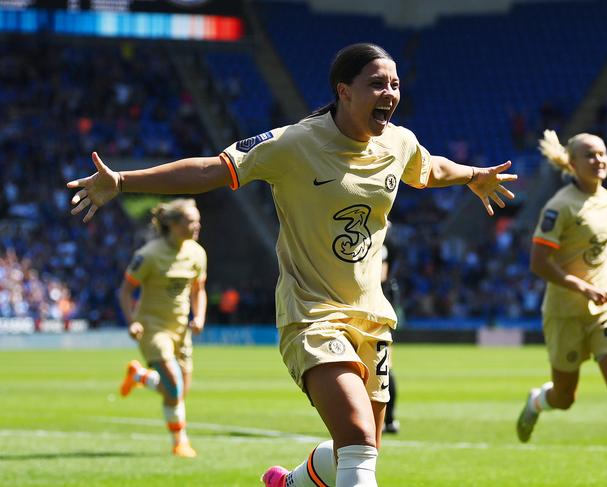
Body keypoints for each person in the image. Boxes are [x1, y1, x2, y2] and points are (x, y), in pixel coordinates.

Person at [68, 43, 516, 486]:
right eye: (377, 84)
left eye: (395, 85)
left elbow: (429, 169)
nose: (390, 94)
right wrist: (123, 180)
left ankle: (289, 484)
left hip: (373, 317)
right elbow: (210, 170)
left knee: (357, 450)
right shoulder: (293, 143)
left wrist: (474, 176)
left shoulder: (398, 142)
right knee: (359, 441)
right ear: (344, 91)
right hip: (312, 315)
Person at [516, 130, 607, 487]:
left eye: (603, 153)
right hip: (564, 314)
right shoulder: (559, 206)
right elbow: (539, 262)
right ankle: (536, 402)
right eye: (590, 155)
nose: (599, 160)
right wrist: (582, 287)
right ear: (572, 163)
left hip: (605, 306)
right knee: (564, 398)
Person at [118, 198, 207, 458]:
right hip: (152, 327)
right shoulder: (148, 255)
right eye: (192, 221)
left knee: (176, 390)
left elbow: (198, 290)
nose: (198, 225)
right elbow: (125, 292)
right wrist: (132, 321)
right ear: (174, 224)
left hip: (181, 330)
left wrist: (199, 316)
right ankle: (180, 442)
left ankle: (139, 376)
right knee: (174, 386)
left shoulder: (197, 253)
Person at [381, 225, 400, 435]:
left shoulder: (383, 238)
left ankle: (389, 419)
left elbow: (381, 275)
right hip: (377, 303)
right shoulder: (388, 235)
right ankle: (389, 420)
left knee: (383, 365)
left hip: (373, 305)